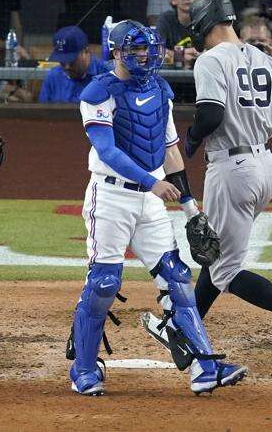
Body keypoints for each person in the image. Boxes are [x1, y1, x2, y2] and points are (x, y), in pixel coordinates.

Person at [143, 0, 272, 376]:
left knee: (226, 270)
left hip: (232, 169)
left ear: (201, 25)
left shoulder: (211, 60)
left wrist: (192, 139)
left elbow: (210, 113)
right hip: (265, 166)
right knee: (217, 253)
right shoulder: (264, 57)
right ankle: (185, 326)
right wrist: (261, 134)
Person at [67, 20, 246, 396]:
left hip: (151, 198)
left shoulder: (160, 88)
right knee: (104, 282)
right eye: (135, 50)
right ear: (116, 52)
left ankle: (204, 366)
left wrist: (189, 205)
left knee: (176, 277)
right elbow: (107, 150)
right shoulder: (98, 92)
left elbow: (170, 149)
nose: (145, 55)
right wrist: (153, 182)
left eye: (148, 48)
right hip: (111, 196)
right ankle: (84, 368)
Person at [38, 26, 107, 103]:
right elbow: (43, 113)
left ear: (86, 51)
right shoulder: (53, 77)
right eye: (62, 61)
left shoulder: (107, 75)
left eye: (72, 60)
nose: (67, 66)